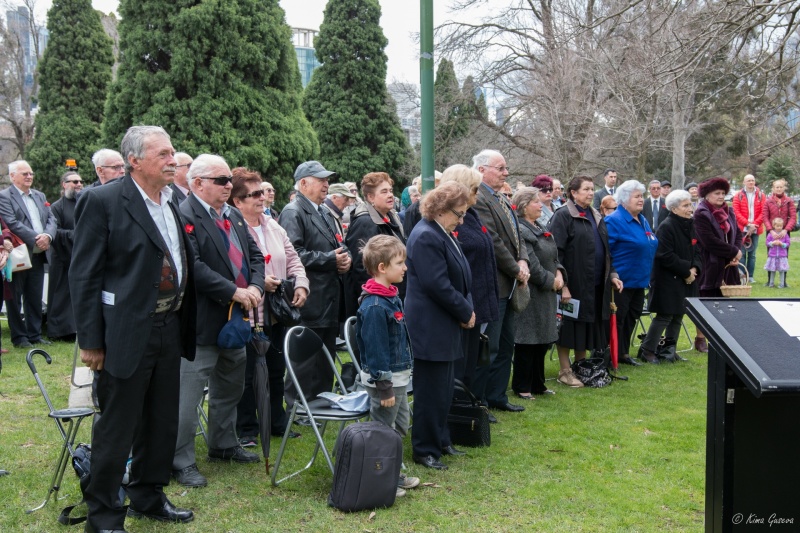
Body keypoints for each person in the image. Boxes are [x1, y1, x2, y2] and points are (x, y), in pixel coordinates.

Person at [70, 125, 197, 530]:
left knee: (161, 420)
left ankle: (148, 494)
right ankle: (104, 514)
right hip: (124, 332)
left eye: (172, 153)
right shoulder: (102, 200)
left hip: (169, 326)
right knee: (117, 426)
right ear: (134, 161)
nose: (173, 160)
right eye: (163, 154)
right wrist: (91, 341)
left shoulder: (171, 201)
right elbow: (84, 275)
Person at [172, 154, 266, 488]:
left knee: (230, 386)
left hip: (235, 322)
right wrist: (233, 291)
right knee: (188, 396)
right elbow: (192, 266)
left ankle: (223, 444)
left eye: (229, 180)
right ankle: (180, 460)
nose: (229, 186)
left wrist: (255, 286)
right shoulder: (184, 214)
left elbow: (255, 256)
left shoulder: (233, 215)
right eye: (222, 180)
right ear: (197, 183)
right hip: (201, 322)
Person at [230, 168, 309, 447]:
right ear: (237, 201)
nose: (262, 198)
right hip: (246, 314)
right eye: (254, 194)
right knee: (248, 374)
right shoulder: (230, 228)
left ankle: (277, 421)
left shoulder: (273, 225)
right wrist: (258, 281)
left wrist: (301, 285)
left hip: (275, 313)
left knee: (276, 370)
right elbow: (228, 269)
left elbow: (294, 259)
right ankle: (247, 429)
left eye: (262, 192)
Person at [406, 181, 474, 470]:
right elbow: (437, 284)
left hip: (444, 321)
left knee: (444, 389)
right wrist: (465, 310)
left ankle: (441, 439)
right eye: (459, 214)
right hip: (430, 324)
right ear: (441, 209)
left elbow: (459, 276)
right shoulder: (426, 235)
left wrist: (466, 306)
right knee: (430, 391)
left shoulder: (441, 231)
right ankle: (425, 448)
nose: (462, 220)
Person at [279, 161, 351, 410]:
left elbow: (339, 245)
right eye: (320, 180)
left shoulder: (323, 211)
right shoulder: (293, 211)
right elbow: (293, 254)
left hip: (328, 298)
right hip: (309, 297)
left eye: (327, 179)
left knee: (324, 357)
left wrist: (345, 259)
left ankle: (321, 404)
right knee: (304, 358)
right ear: (303, 183)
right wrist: (330, 259)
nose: (326, 184)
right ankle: (297, 407)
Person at [355, 235, 419, 497]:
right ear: (382, 268)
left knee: (400, 425)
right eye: (399, 263)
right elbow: (376, 349)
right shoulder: (374, 306)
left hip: (399, 377)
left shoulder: (391, 297)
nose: (405, 268)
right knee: (382, 431)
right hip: (387, 382)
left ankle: (393, 471)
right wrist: (384, 386)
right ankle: (378, 480)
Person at [549, 176, 622, 387]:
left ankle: (581, 367)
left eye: (592, 189)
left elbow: (606, 251)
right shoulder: (563, 215)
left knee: (585, 326)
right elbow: (555, 253)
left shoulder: (595, 215)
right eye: (586, 189)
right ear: (573, 192)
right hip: (573, 283)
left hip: (595, 283)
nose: (591, 193)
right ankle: (565, 371)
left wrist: (613, 274)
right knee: (569, 327)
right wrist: (563, 285)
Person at [472, 149, 529, 414]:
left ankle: (497, 395)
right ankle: (480, 401)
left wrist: (524, 260)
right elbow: (493, 241)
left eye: (506, 168)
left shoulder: (500, 197)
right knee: (490, 346)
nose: (506, 173)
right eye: (501, 168)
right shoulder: (479, 198)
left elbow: (517, 235)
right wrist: (516, 269)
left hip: (510, 284)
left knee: (506, 344)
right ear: (482, 170)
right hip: (494, 284)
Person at [440, 164, 499, 390]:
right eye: (474, 188)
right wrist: (463, 306)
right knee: (462, 365)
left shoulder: (471, 215)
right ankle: (464, 404)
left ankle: (474, 402)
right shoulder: (450, 220)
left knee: (474, 360)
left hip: (478, 298)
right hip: (463, 303)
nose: (477, 193)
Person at [511, 187, 564, 398]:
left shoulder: (539, 226)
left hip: (547, 293)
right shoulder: (521, 230)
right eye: (535, 202)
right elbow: (531, 265)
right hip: (531, 293)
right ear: (524, 207)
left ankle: (538, 384)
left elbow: (554, 256)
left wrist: (559, 273)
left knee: (542, 340)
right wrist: (552, 282)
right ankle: (522, 386)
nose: (540, 205)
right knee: (527, 341)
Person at [640, 189, 701, 363]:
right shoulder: (666, 226)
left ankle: (668, 350)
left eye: (690, 204)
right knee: (665, 315)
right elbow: (664, 255)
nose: (690, 209)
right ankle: (647, 350)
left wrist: (695, 268)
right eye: (685, 206)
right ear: (674, 209)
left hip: (686, 278)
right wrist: (686, 271)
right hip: (667, 279)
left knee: (678, 314)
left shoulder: (690, 224)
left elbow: (698, 250)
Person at [0, 160, 56, 348]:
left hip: (39, 254)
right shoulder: (4, 197)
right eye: (24, 173)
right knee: (14, 298)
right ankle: (19, 337)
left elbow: (51, 219)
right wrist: (36, 238)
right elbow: (11, 222)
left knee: (34, 296)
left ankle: (35, 334)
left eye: (31, 173)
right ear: (12, 176)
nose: (29, 176)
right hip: (19, 254)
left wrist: (48, 236)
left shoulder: (39, 195)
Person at [605, 180, 658, 365]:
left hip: (639, 280)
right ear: (624, 199)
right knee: (618, 318)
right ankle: (610, 355)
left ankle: (623, 353)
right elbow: (605, 252)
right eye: (637, 196)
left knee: (631, 317)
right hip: (621, 281)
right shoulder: (614, 220)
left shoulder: (642, 220)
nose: (641, 200)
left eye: (642, 196)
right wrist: (612, 275)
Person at [344, 172, 405, 318]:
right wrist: (376, 302)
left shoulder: (391, 217)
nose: (390, 195)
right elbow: (362, 268)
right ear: (371, 197)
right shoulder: (365, 222)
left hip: (391, 296)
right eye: (384, 192)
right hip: (377, 304)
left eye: (390, 190)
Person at [693, 177, 742, 353]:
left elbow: (738, 233)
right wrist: (733, 252)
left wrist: (736, 251)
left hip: (727, 265)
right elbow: (709, 241)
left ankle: (721, 339)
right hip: (709, 264)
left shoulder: (729, 211)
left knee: (724, 302)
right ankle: (700, 338)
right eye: (717, 193)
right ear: (707, 195)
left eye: (723, 193)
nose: (721, 196)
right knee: (705, 302)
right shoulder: (701, 213)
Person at [47, 171, 83, 341]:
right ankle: (60, 330)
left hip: (80, 256)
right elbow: (55, 231)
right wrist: (76, 235)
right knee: (60, 294)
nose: (79, 184)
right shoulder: (57, 207)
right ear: (64, 184)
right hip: (62, 257)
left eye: (80, 181)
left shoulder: (84, 203)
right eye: (74, 182)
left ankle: (76, 328)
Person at [732, 174, 765, 283]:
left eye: (752, 180)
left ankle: (750, 276)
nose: (751, 182)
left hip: (755, 229)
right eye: (749, 180)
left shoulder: (761, 195)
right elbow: (736, 212)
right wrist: (747, 224)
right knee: (741, 253)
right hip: (742, 229)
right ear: (744, 182)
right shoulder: (738, 195)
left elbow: (763, 212)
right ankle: (741, 275)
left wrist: (754, 225)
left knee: (752, 254)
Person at [764, 179, 796, 244]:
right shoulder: (768, 201)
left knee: (784, 249)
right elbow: (765, 217)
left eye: (781, 187)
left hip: (784, 231)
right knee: (771, 250)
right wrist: (771, 231)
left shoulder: (789, 201)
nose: (779, 189)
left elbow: (793, 217)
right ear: (773, 188)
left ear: (784, 188)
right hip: (771, 232)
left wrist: (786, 230)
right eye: (777, 187)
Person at [764, 217, 790, 288]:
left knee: (782, 270)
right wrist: (772, 243)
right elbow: (767, 243)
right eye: (777, 226)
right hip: (773, 256)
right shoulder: (770, 234)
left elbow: (788, 243)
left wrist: (782, 244)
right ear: (774, 226)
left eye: (780, 226)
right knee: (772, 270)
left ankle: (782, 284)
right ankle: (771, 283)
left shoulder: (785, 235)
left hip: (782, 256)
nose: (779, 227)